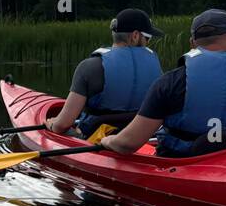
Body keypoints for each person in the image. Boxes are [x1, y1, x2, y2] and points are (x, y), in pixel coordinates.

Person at [98, 9, 226, 157]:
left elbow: (128, 144)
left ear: (192, 43)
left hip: (186, 164)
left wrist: (108, 140)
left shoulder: (171, 83)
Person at [46, 7, 165, 137]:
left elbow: (62, 125)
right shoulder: (155, 64)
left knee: (63, 129)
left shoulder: (89, 67)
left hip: (96, 138)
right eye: (148, 38)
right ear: (135, 36)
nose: (148, 43)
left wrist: (52, 124)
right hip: (141, 137)